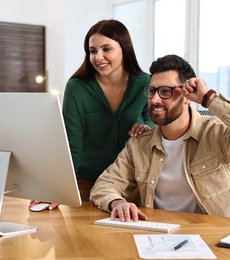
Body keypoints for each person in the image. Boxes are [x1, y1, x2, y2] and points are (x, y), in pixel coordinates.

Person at [90, 54, 230, 221]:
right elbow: (104, 185)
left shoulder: (214, 134)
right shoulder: (139, 144)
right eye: (152, 91)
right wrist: (117, 202)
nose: (155, 100)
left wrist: (208, 98)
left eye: (165, 91)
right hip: (161, 236)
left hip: (219, 236)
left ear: (187, 97)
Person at [30, 20, 152, 210]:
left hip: (133, 186)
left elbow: (156, 129)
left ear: (124, 48)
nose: (98, 57)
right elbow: (71, 143)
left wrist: (147, 129)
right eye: (93, 51)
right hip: (86, 184)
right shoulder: (76, 88)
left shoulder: (145, 84)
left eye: (106, 49)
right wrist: (59, 188)